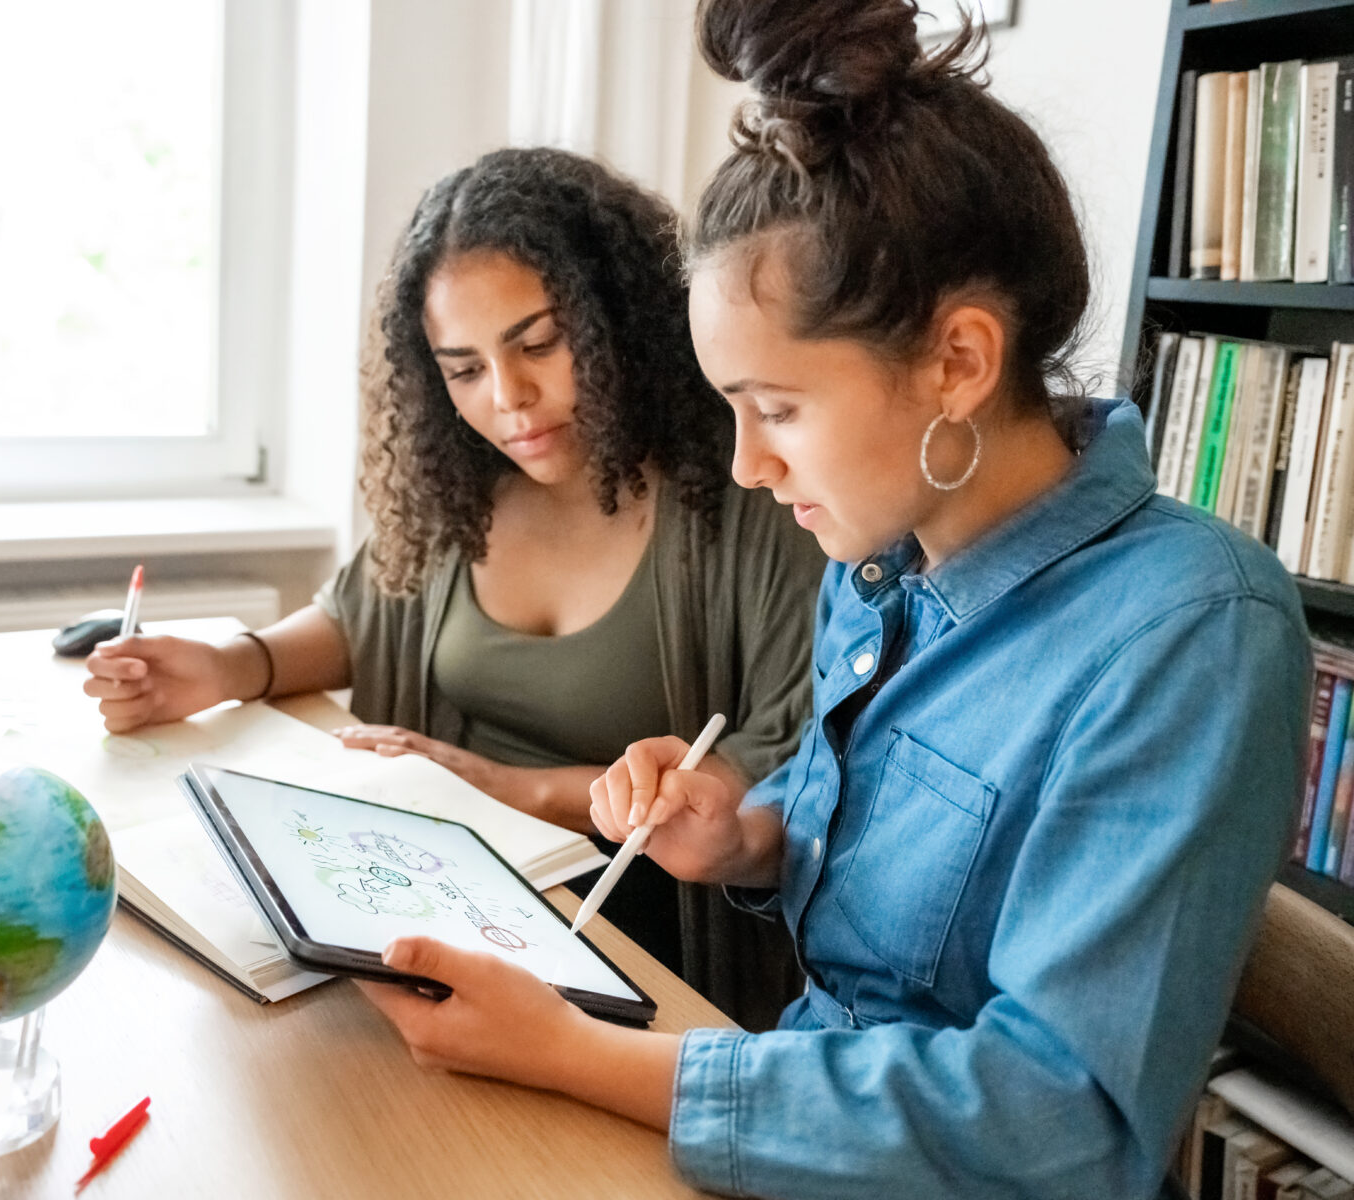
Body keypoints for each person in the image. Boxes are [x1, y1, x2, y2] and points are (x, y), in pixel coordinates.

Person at [352, 4, 1310, 1198]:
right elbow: (850, 851)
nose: (750, 465)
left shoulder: (1190, 631)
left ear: (959, 361)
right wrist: (746, 833)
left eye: (781, 409)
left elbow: (1061, 1122)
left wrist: (584, 1055)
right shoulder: (877, 564)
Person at [82, 146, 825, 1029]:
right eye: (464, 369)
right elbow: (364, 613)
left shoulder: (749, 499)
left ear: (619, 318)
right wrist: (224, 667)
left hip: (634, 947)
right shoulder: (465, 485)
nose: (508, 398)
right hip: (450, 895)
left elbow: (774, 779)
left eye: (539, 344)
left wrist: (492, 786)